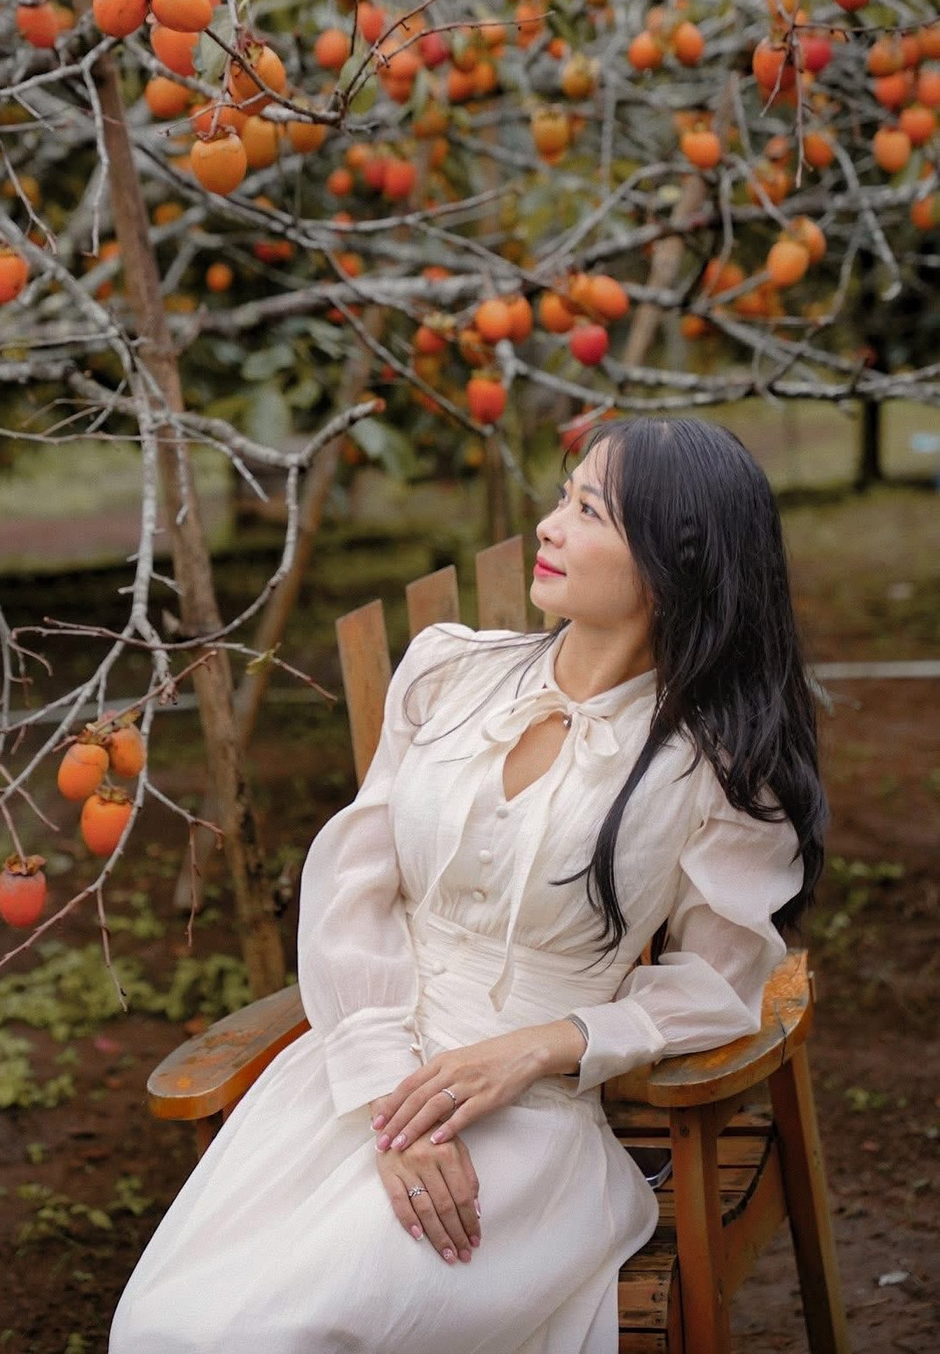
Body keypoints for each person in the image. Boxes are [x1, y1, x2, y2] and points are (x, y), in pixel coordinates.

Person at [109, 414, 828, 1353]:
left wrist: (543, 1046)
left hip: (522, 1130)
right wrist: (384, 1092)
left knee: (297, 1330)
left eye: (588, 510)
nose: (549, 525)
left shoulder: (718, 773)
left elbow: (720, 985)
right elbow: (353, 889)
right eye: (562, 496)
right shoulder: (450, 675)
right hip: (358, 1077)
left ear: (673, 560)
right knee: (167, 1326)